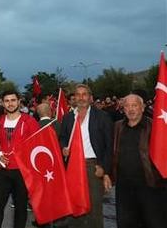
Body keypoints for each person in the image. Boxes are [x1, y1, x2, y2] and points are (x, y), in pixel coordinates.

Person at [59, 84, 113, 228]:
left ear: (90, 98)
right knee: (75, 207)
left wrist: (105, 169)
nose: (81, 97)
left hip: (93, 167)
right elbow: (62, 137)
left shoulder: (102, 117)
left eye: (84, 94)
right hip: (72, 167)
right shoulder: (68, 117)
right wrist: (64, 147)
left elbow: (109, 146)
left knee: (94, 208)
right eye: (78, 94)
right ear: (74, 98)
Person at [111, 94, 166, 228]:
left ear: (142, 107)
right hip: (124, 188)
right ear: (123, 109)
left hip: (150, 186)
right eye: (127, 106)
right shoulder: (117, 127)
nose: (131, 109)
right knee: (126, 223)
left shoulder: (155, 128)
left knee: (154, 222)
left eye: (134, 105)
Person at [0, 90, 40, 228]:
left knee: (20, 209)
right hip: (3, 171)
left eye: (13, 100)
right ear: (2, 103)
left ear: (19, 101)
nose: (10, 104)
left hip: (22, 172)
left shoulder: (29, 121)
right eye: (7, 101)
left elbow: (37, 145)